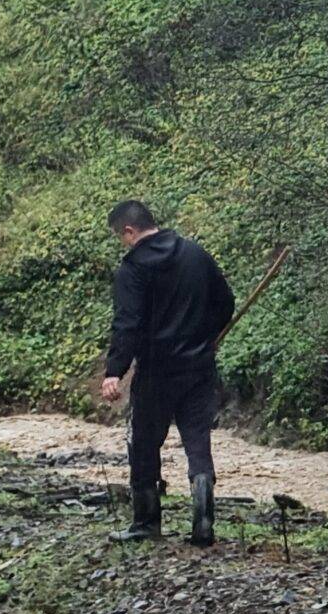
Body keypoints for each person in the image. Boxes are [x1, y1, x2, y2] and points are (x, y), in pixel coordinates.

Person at [99, 201, 233, 546]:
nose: (122, 244)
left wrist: (115, 371)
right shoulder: (195, 254)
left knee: (144, 443)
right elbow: (226, 302)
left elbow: (127, 324)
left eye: (120, 237)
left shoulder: (133, 269)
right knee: (197, 441)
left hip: (156, 372)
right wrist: (206, 337)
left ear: (129, 231)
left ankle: (146, 522)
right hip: (199, 367)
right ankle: (203, 523)